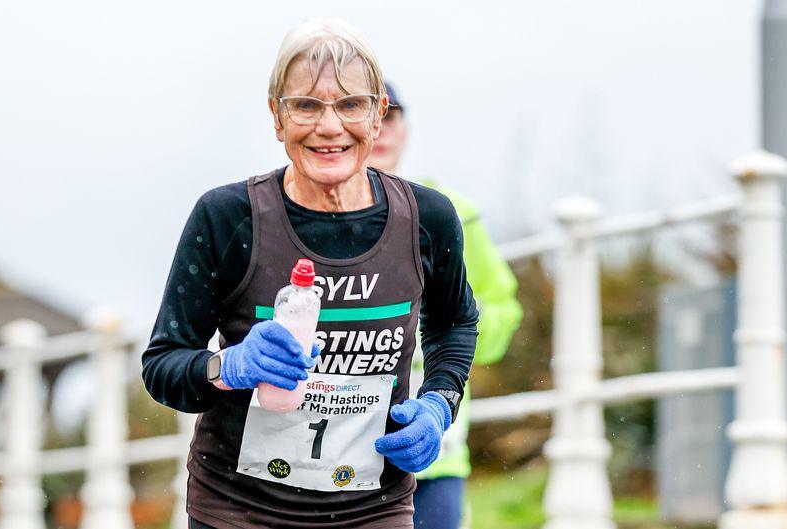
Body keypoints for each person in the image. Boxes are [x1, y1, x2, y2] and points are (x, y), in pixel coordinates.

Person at [141, 19, 479, 529]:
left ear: (378, 115)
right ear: (277, 117)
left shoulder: (427, 219)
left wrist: (438, 401)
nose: (329, 126)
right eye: (306, 105)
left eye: (350, 105)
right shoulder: (228, 217)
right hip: (237, 510)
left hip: (373, 508)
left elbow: (455, 323)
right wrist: (227, 368)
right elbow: (163, 365)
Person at [370, 83, 523, 529]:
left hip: (434, 447)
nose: (381, 127)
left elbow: (500, 311)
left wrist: (447, 328)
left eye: (391, 115)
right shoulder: (306, 214)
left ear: (406, 129)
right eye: (370, 114)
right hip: (331, 438)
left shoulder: (452, 213)